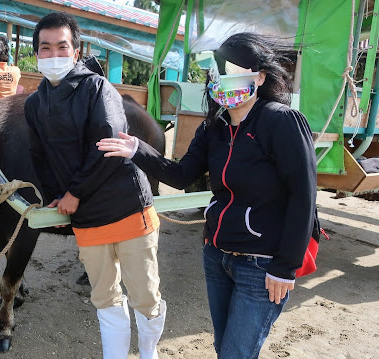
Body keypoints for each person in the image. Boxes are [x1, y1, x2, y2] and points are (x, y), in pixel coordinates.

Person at [97, 32, 318, 358]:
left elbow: (304, 195)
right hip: (217, 255)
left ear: (259, 76)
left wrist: (285, 267)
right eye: (219, 72)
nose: (225, 79)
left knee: (235, 354)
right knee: (223, 347)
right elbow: (181, 174)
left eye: (235, 70)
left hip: (262, 264)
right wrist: (136, 149)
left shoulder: (281, 122)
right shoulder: (213, 128)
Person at [24, 12, 166, 359]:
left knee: (144, 295)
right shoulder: (34, 103)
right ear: (37, 55)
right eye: (46, 48)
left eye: (62, 46)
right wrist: (56, 196)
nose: (54, 54)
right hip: (87, 219)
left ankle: (149, 352)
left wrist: (74, 193)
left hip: (127, 208)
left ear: (76, 52)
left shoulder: (97, 88)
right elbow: (40, 157)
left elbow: (110, 147)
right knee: (104, 295)